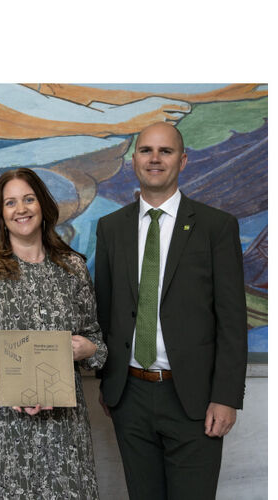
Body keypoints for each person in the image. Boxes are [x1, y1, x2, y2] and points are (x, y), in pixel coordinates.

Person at [94, 122, 247, 499]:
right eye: (146, 150)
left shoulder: (216, 227)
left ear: (183, 160)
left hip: (194, 399)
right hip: (129, 395)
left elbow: (232, 320)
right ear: (134, 160)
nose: (155, 159)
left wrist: (226, 396)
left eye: (165, 151)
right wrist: (108, 382)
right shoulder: (111, 228)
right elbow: (105, 309)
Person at [0, 167, 106, 499]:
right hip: (0, 430)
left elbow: (96, 340)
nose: (20, 209)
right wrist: (13, 390)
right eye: (10, 203)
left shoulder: (72, 268)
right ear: (1, 214)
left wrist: (88, 349)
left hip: (63, 431)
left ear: (43, 205)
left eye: (29, 199)